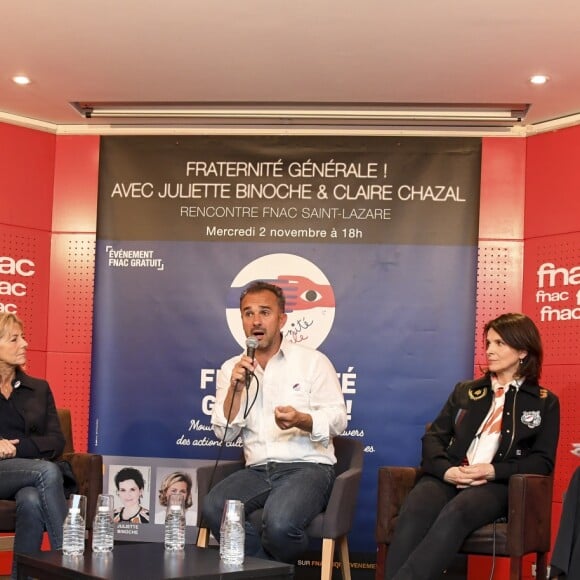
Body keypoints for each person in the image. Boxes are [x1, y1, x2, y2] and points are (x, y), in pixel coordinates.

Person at [385, 312, 560, 580]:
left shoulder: (544, 401)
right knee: (417, 505)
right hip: (449, 476)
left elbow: (542, 461)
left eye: (500, 344)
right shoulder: (466, 392)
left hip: (496, 485)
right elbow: (434, 438)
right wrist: (447, 471)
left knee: (459, 511)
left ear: (523, 351)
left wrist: (491, 471)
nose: (489, 351)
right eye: (488, 343)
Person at [201, 280, 347, 563]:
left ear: (282, 319)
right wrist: (236, 388)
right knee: (214, 507)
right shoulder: (231, 369)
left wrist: (303, 420)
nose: (256, 320)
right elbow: (225, 434)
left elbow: (338, 420)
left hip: (308, 467)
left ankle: (263, 570)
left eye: (265, 312)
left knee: (279, 524)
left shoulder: (312, 362)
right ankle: (272, 571)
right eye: (248, 313)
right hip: (256, 470)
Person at [0, 312, 68, 578]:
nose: (25, 344)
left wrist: (17, 449)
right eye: (15, 339)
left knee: (30, 500)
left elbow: (56, 442)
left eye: (23, 337)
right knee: (48, 472)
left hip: (25, 472)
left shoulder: (38, 389)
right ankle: (71, 563)